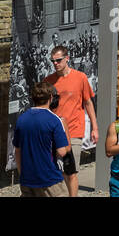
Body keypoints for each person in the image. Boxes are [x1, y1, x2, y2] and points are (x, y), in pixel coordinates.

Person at [44, 44, 97, 196]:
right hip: (53, 131)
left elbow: (88, 102)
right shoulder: (48, 81)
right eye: (53, 61)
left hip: (73, 131)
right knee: (56, 171)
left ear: (67, 59)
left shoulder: (80, 77)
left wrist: (95, 127)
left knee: (70, 171)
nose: (55, 64)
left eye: (58, 60)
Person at [13, 81, 69, 197]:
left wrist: (22, 173)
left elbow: (17, 150)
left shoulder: (22, 119)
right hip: (49, 178)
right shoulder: (54, 120)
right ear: (51, 97)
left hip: (27, 179)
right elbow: (62, 151)